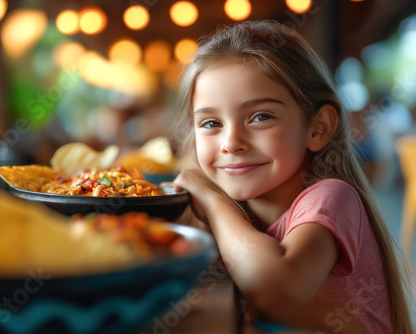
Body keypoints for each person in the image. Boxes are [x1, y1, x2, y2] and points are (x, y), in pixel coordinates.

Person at [171, 20, 413, 333]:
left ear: (318, 128)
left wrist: (213, 203)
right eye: (210, 123)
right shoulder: (240, 214)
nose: (231, 143)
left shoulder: (331, 198)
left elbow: (274, 289)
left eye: (261, 117)